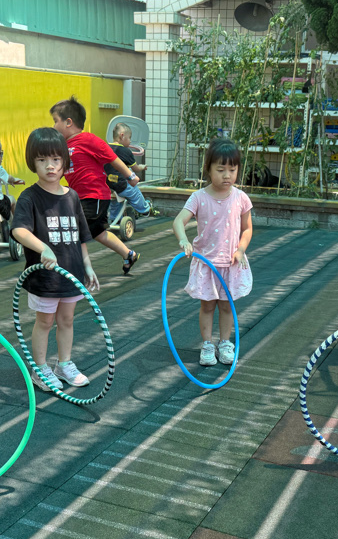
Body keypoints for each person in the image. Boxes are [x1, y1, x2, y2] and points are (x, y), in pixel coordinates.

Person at [10, 128, 100, 391]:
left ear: (64, 161)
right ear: (33, 162)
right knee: (45, 321)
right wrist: (43, 248)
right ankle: (39, 368)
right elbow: (19, 230)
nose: (50, 166)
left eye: (56, 159)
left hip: (71, 274)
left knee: (67, 320)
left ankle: (64, 364)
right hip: (45, 277)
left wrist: (87, 265)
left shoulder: (72, 196)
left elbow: (81, 236)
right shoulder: (29, 197)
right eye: (42, 160)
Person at [172, 139, 254, 367]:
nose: (227, 175)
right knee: (207, 305)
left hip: (230, 263)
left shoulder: (240, 198)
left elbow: (247, 228)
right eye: (220, 169)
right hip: (206, 263)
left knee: (227, 306)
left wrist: (241, 249)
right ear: (208, 169)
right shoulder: (199, 197)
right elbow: (179, 221)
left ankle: (225, 343)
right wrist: (183, 240)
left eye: (232, 170)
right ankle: (207, 344)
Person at [50, 96, 141, 274]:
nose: (53, 126)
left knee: (73, 229)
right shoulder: (65, 146)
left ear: (68, 122)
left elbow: (112, 157)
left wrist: (130, 175)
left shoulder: (88, 140)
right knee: (99, 233)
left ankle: (74, 268)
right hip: (80, 197)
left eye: (55, 121)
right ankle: (128, 254)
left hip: (94, 196)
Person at [106, 122, 158, 224]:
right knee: (134, 192)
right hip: (122, 184)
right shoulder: (126, 151)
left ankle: (115, 218)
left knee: (115, 200)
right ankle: (145, 209)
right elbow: (136, 168)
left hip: (107, 184)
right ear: (122, 136)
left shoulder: (105, 148)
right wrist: (142, 167)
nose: (130, 141)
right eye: (129, 138)